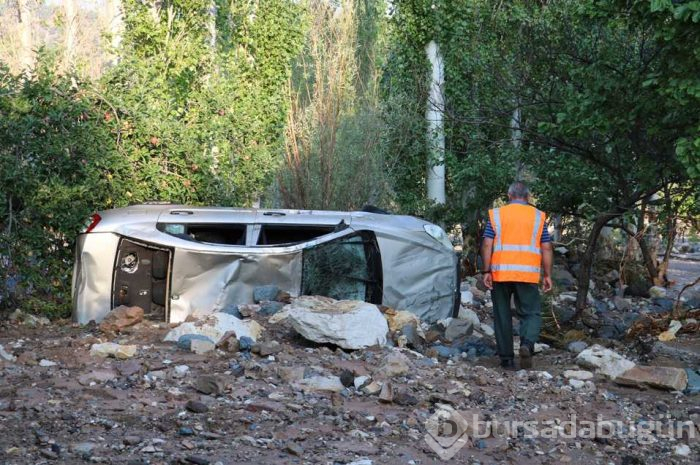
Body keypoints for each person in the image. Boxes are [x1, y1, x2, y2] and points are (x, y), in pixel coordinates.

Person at [480, 182, 553, 370]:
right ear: (528, 197)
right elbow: (546, 247)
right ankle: (527, 344)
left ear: (509, 195)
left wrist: (486, 271)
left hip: (500, 273)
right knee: (531, 313)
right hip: (527, 274)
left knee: (502, 314)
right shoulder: (538, 217)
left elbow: (487, 244)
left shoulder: (497, 214)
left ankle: (506, 359)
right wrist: (547, 275)